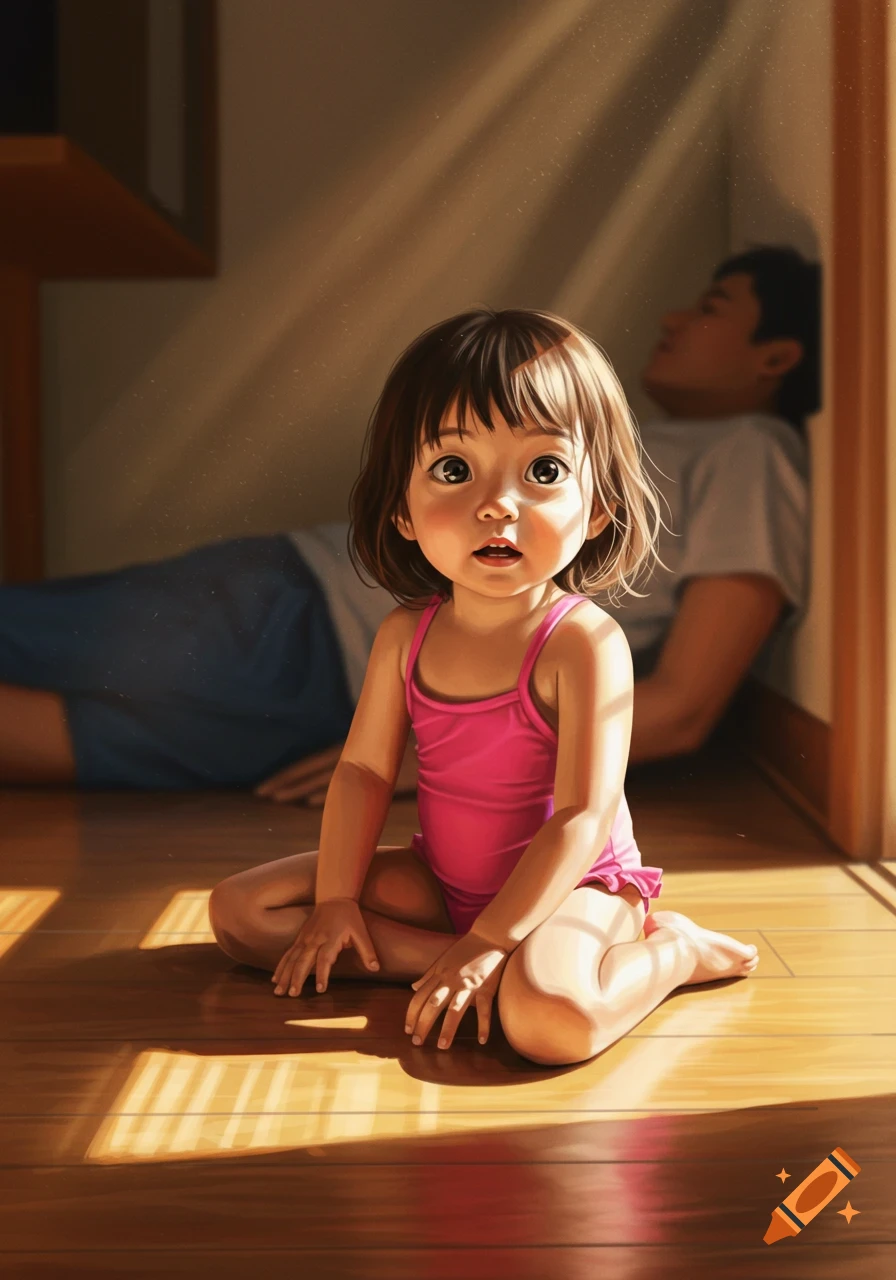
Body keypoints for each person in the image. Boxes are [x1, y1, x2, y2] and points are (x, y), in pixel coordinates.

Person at [0, 243, 817, 796]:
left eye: (711, 307)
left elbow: (683, 706)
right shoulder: (650, 444)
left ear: (775, 357)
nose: (674, 320)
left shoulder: (749, 449)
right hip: (298, 612)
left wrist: (420, 761)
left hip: (356, 703)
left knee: (56, 745)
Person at [208, 305, 760, 1068]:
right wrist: (337, 902)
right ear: (401, 507)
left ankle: (674, 955)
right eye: (454, 470)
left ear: (597, 507)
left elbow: (580, 817)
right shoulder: (406, 635)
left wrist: (494, 938)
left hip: (577, 889)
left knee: (551, 1023)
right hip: (444, 883)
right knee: (241, 913)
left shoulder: (582, 642)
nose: (498, 504)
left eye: (543, 471)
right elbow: (365, 771)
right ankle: (459, 964)